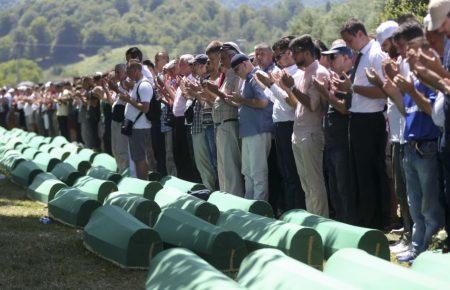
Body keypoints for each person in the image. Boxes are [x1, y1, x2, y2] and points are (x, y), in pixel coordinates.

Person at [339, 19, 390, 229]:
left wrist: (352, 88)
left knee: (371, 173)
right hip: (359, 118)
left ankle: (378, 220)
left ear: (360, 33)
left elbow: (383, 91)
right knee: (360, 173)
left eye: (350, 40)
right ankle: (367, 218)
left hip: (371, 120)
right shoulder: (362, 55)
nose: (349, 45)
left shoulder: (376, 54)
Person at [279, 35, 330, 217]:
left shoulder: (320, 72)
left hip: (311, 134)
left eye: (295, 52)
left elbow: (313, 105)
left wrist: (292, 88)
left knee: (314, 183)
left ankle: (321, 222)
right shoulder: (304, 73)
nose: (292, 56)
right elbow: (298, 104)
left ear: (307, 52)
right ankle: (313, 220)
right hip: (299, 134)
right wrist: (285, 89)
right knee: (306, 184)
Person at [255, 36, 306, 212]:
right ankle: (289, 208)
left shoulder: (297, 73)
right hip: (280, 125)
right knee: (285, 172)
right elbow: (275, 99)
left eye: (279, 56)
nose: (277, 61)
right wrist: (268, 86)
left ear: (290, 53)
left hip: (289, 124)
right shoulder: (283, 72)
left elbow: (290, 103)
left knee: (292, 172)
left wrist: (272, 85)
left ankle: (296, 208)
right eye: (276, 58)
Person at [316, 40, 356, 223]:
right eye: (329, 58)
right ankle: (340, 219)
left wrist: (325, 93)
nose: (330, 61)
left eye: (334, 57)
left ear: (346, 56)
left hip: (341, 140)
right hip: (330, 140)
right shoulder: (335, 78)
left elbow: (344, 109)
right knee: (333, 185)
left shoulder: (348, 79)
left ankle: (348, 220)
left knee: (343, 185)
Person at [227, 53, 273, 201]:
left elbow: (263, 102)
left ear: (246, 64)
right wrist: (238, 100)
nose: (235, 73)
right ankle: (250, 204)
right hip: (248, 131)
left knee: (258, 172)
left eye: (237, 69)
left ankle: (260, 207)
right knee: (247, 171)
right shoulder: (247, 80)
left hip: (258, 130)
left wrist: (242, 100)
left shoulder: (255, 77)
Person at [203, 42, 244, 196]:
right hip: (220, 125)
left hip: (229, 123)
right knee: (223, 169)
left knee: (230, 169)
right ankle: (227, 199)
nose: (221, 61)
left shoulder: (234, 73)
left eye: (224, 58)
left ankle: (234, 201)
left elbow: (233, 100)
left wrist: (216, 92)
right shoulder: (227, 75)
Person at [120, 61, 153, 180]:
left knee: (140, 158)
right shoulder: (137, 84)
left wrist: (129, 100)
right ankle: (141, 182)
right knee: (137, 158)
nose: (127, 74)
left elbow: (145, 108)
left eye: (128, 71)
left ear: (136, 71)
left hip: (140, 127)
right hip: (135, 127)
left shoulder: (144, 85)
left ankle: (144, 183)